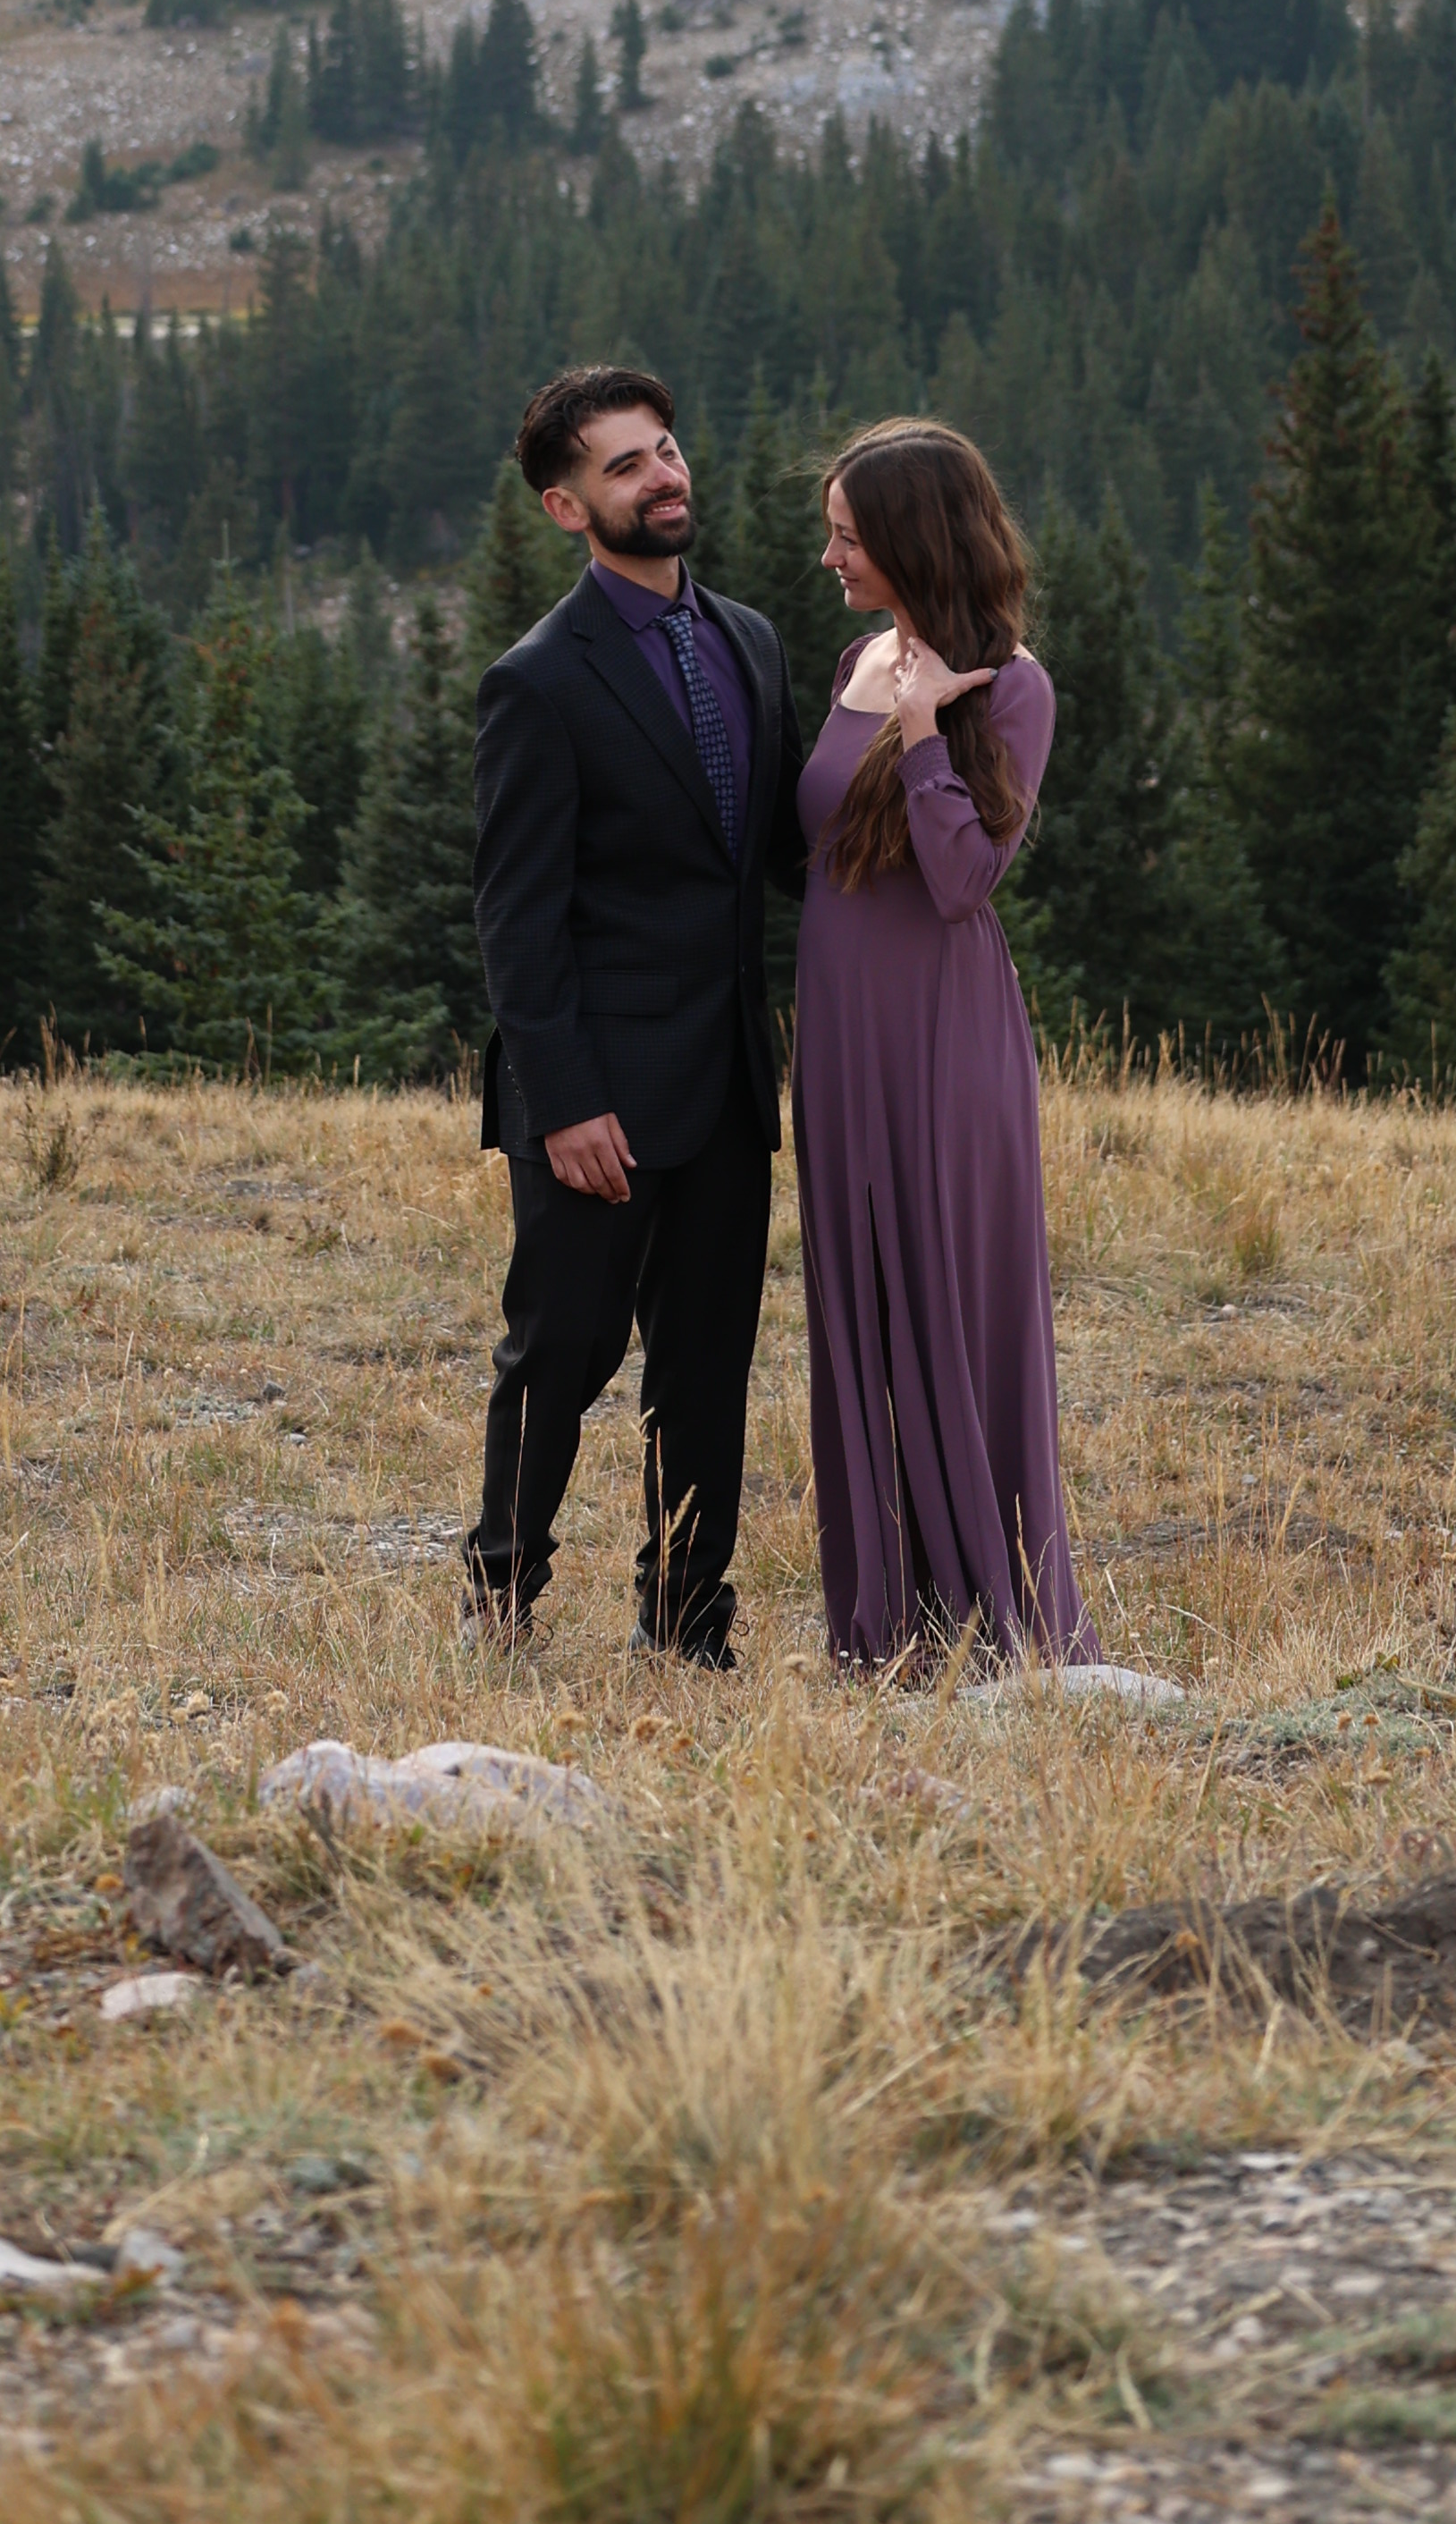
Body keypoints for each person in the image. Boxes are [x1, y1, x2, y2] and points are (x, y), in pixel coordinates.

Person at [463, 363, 804, 1659]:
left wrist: (925, 742)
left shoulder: (750, 641)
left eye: (665, 448)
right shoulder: (539, 681)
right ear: (567, 507)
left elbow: (788, 852)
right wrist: (565, 1105)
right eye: (625, 465)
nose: (664, 476)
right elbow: (518, 919)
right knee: (562, 1354)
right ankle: (501, 1597)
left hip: (725, 1080)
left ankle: (689, 1621)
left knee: (707, 1366)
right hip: (594, 1094)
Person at [795, 417, 1093, 1669]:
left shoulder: (1013, 687)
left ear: (915, 540)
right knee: (859, 1312)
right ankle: (890, 1621)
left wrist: (923, 733)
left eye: (849, 538)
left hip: (943, 1041)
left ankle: (998, 1612)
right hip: (839, 1040)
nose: (830, 558)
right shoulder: (856, 657)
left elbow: (966, 881)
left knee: (956, 1312)